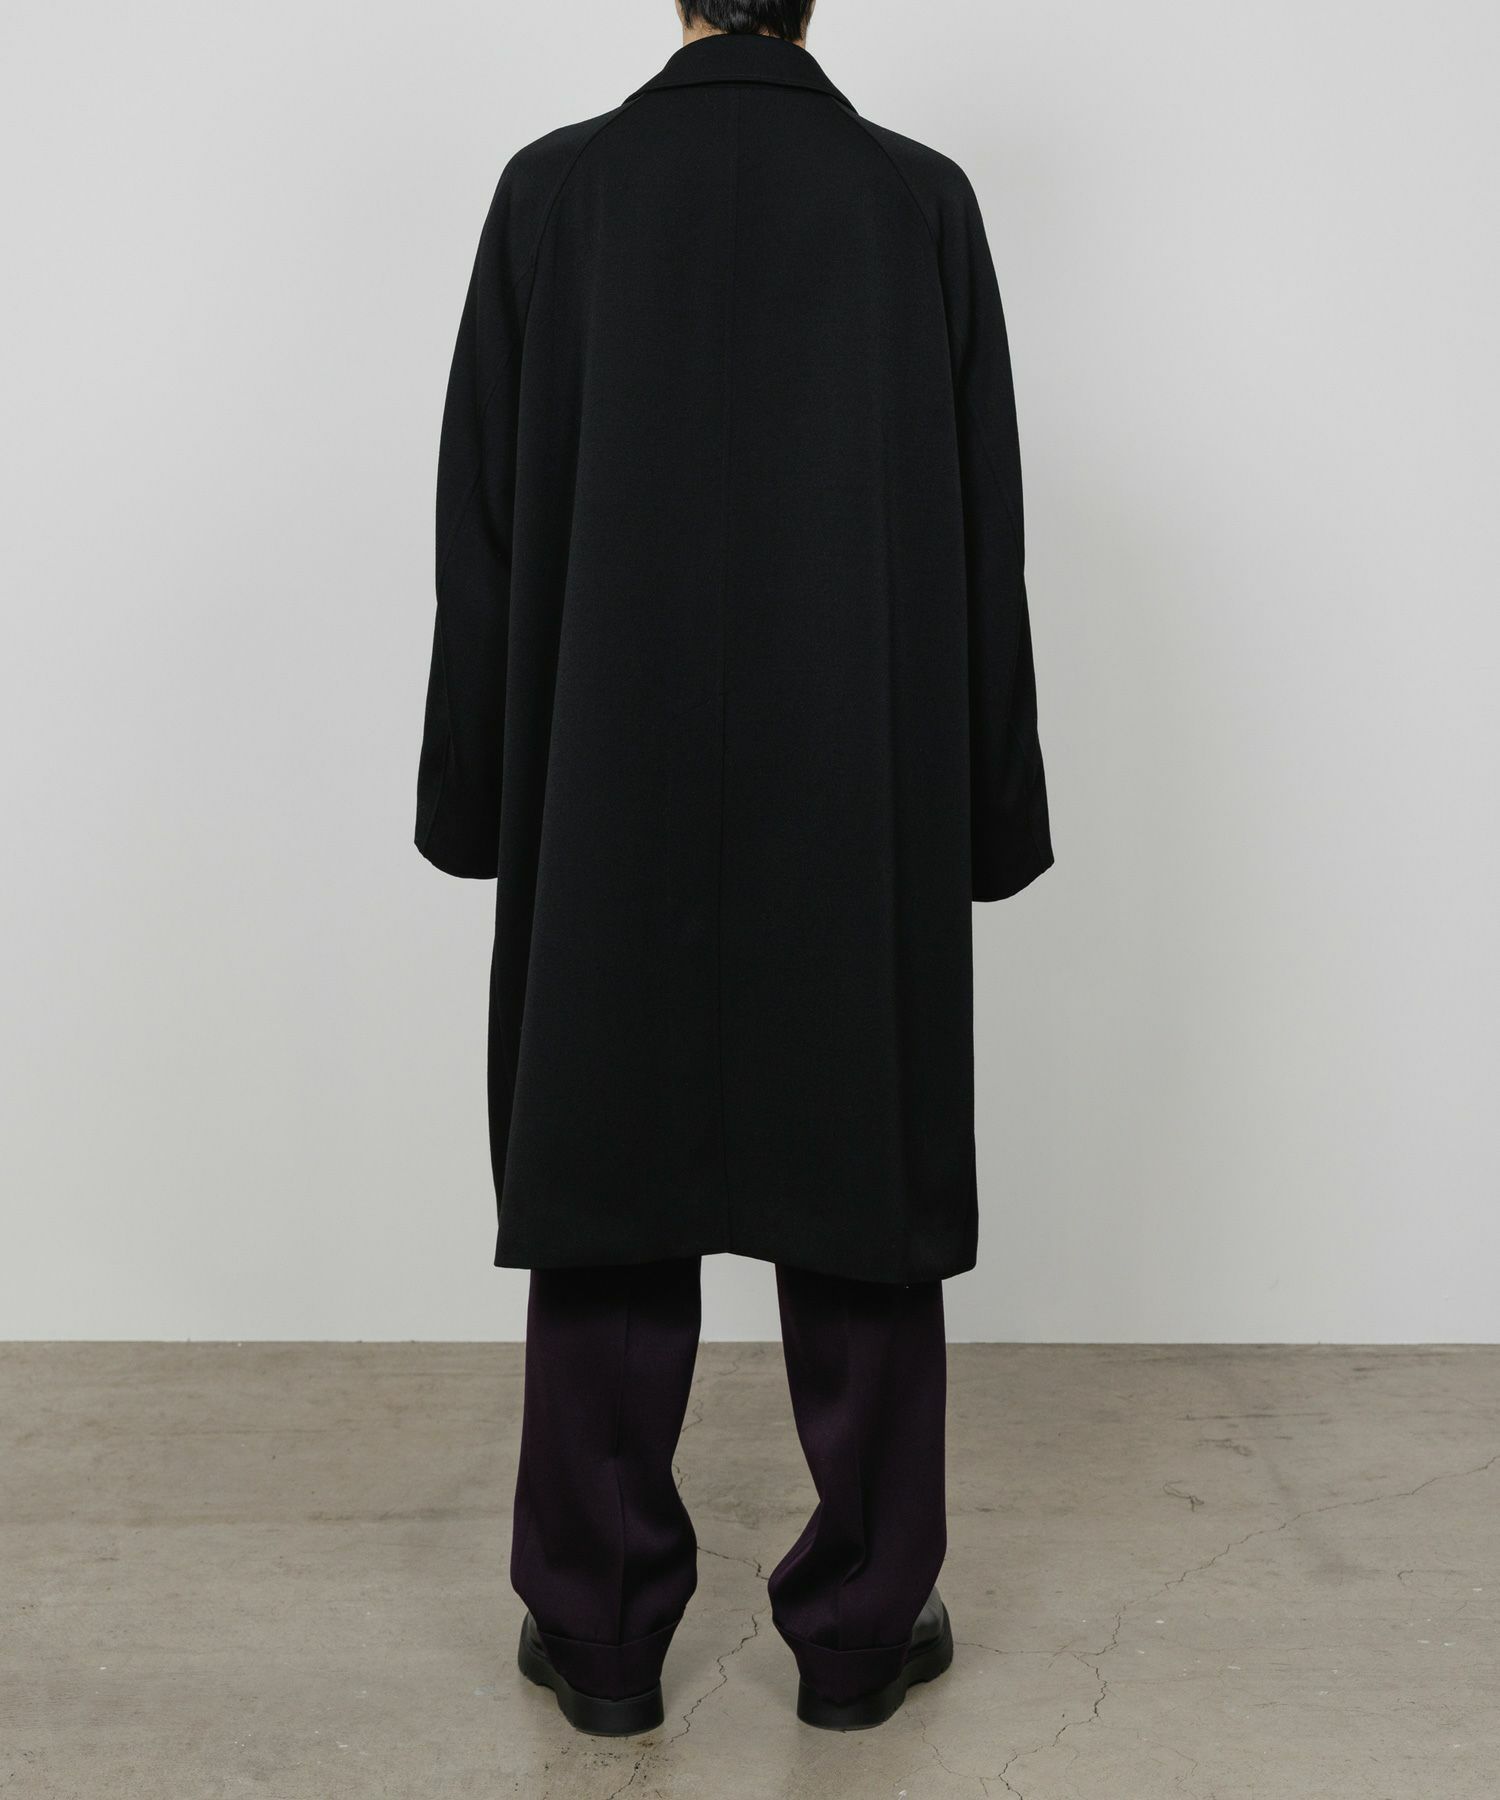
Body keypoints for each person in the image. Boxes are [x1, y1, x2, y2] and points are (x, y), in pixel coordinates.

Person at [414, 0, 1053, 1738]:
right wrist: (991, 817)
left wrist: (475, 805)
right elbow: (983, 537)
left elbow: (482, 535)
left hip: (605, 775)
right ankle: (858, 1631)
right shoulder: (918, 203)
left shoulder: (553, 197)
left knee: (608, 1186)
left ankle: (602, 1631)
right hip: (855, 776)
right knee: (861, 1185)